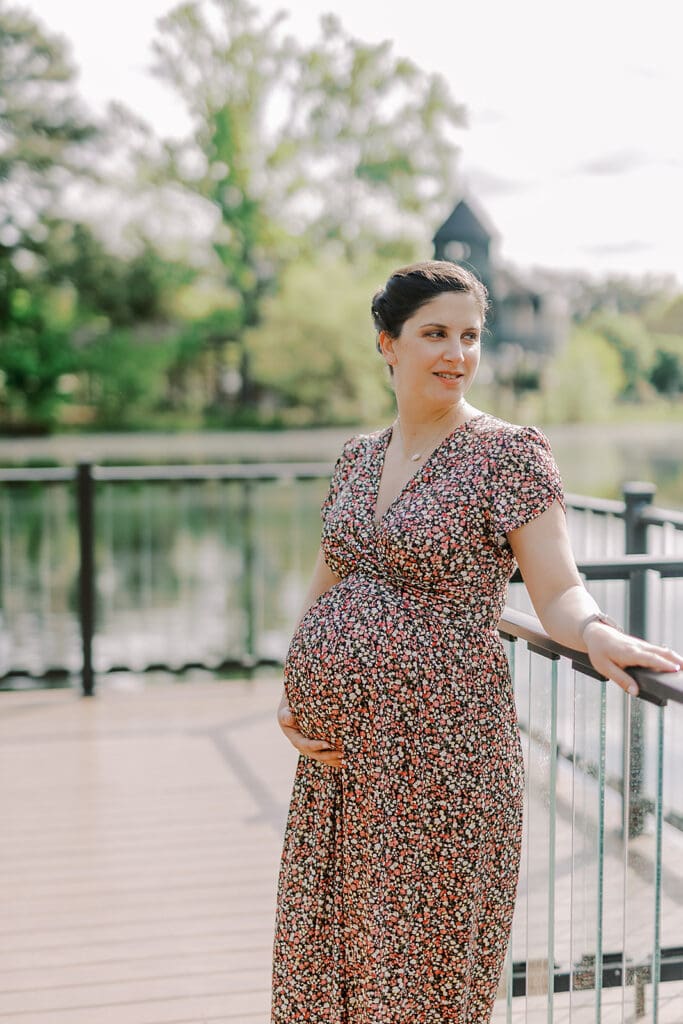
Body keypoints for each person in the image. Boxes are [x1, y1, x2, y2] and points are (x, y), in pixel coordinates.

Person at [271, 260, 681, 1024]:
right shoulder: (358, 457)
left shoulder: (508, 455)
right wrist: (295, 685)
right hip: (339, 759)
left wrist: (592, 632)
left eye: (469, 336)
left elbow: (555, 588)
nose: (456, 353)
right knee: (332, 952)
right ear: (387, 344)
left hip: (441, 757)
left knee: (419, 967)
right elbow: (331, 574)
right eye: (434, 334)